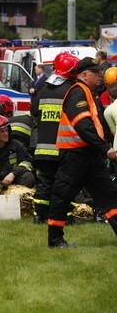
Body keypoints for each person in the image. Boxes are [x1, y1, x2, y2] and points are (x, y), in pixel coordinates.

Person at [47, 56, 117, 248]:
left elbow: (97, 125)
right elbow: (83, 127)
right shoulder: (77, 92)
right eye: (96, 73)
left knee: (109, 195)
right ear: (85, 75)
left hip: (90, 156)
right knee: (62, 196)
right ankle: (55, 240)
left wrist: (105, 144)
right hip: (75, 156)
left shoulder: (89, 93)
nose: (100, 76)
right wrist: (106, 148)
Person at [30, 52, 79, 224]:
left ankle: (39, 216)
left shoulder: (43, 89)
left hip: (43, 148)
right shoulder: (72, 91)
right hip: (63, 148)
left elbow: (34, 111)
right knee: (65, 184)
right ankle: (66, 217)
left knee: (44, 183)